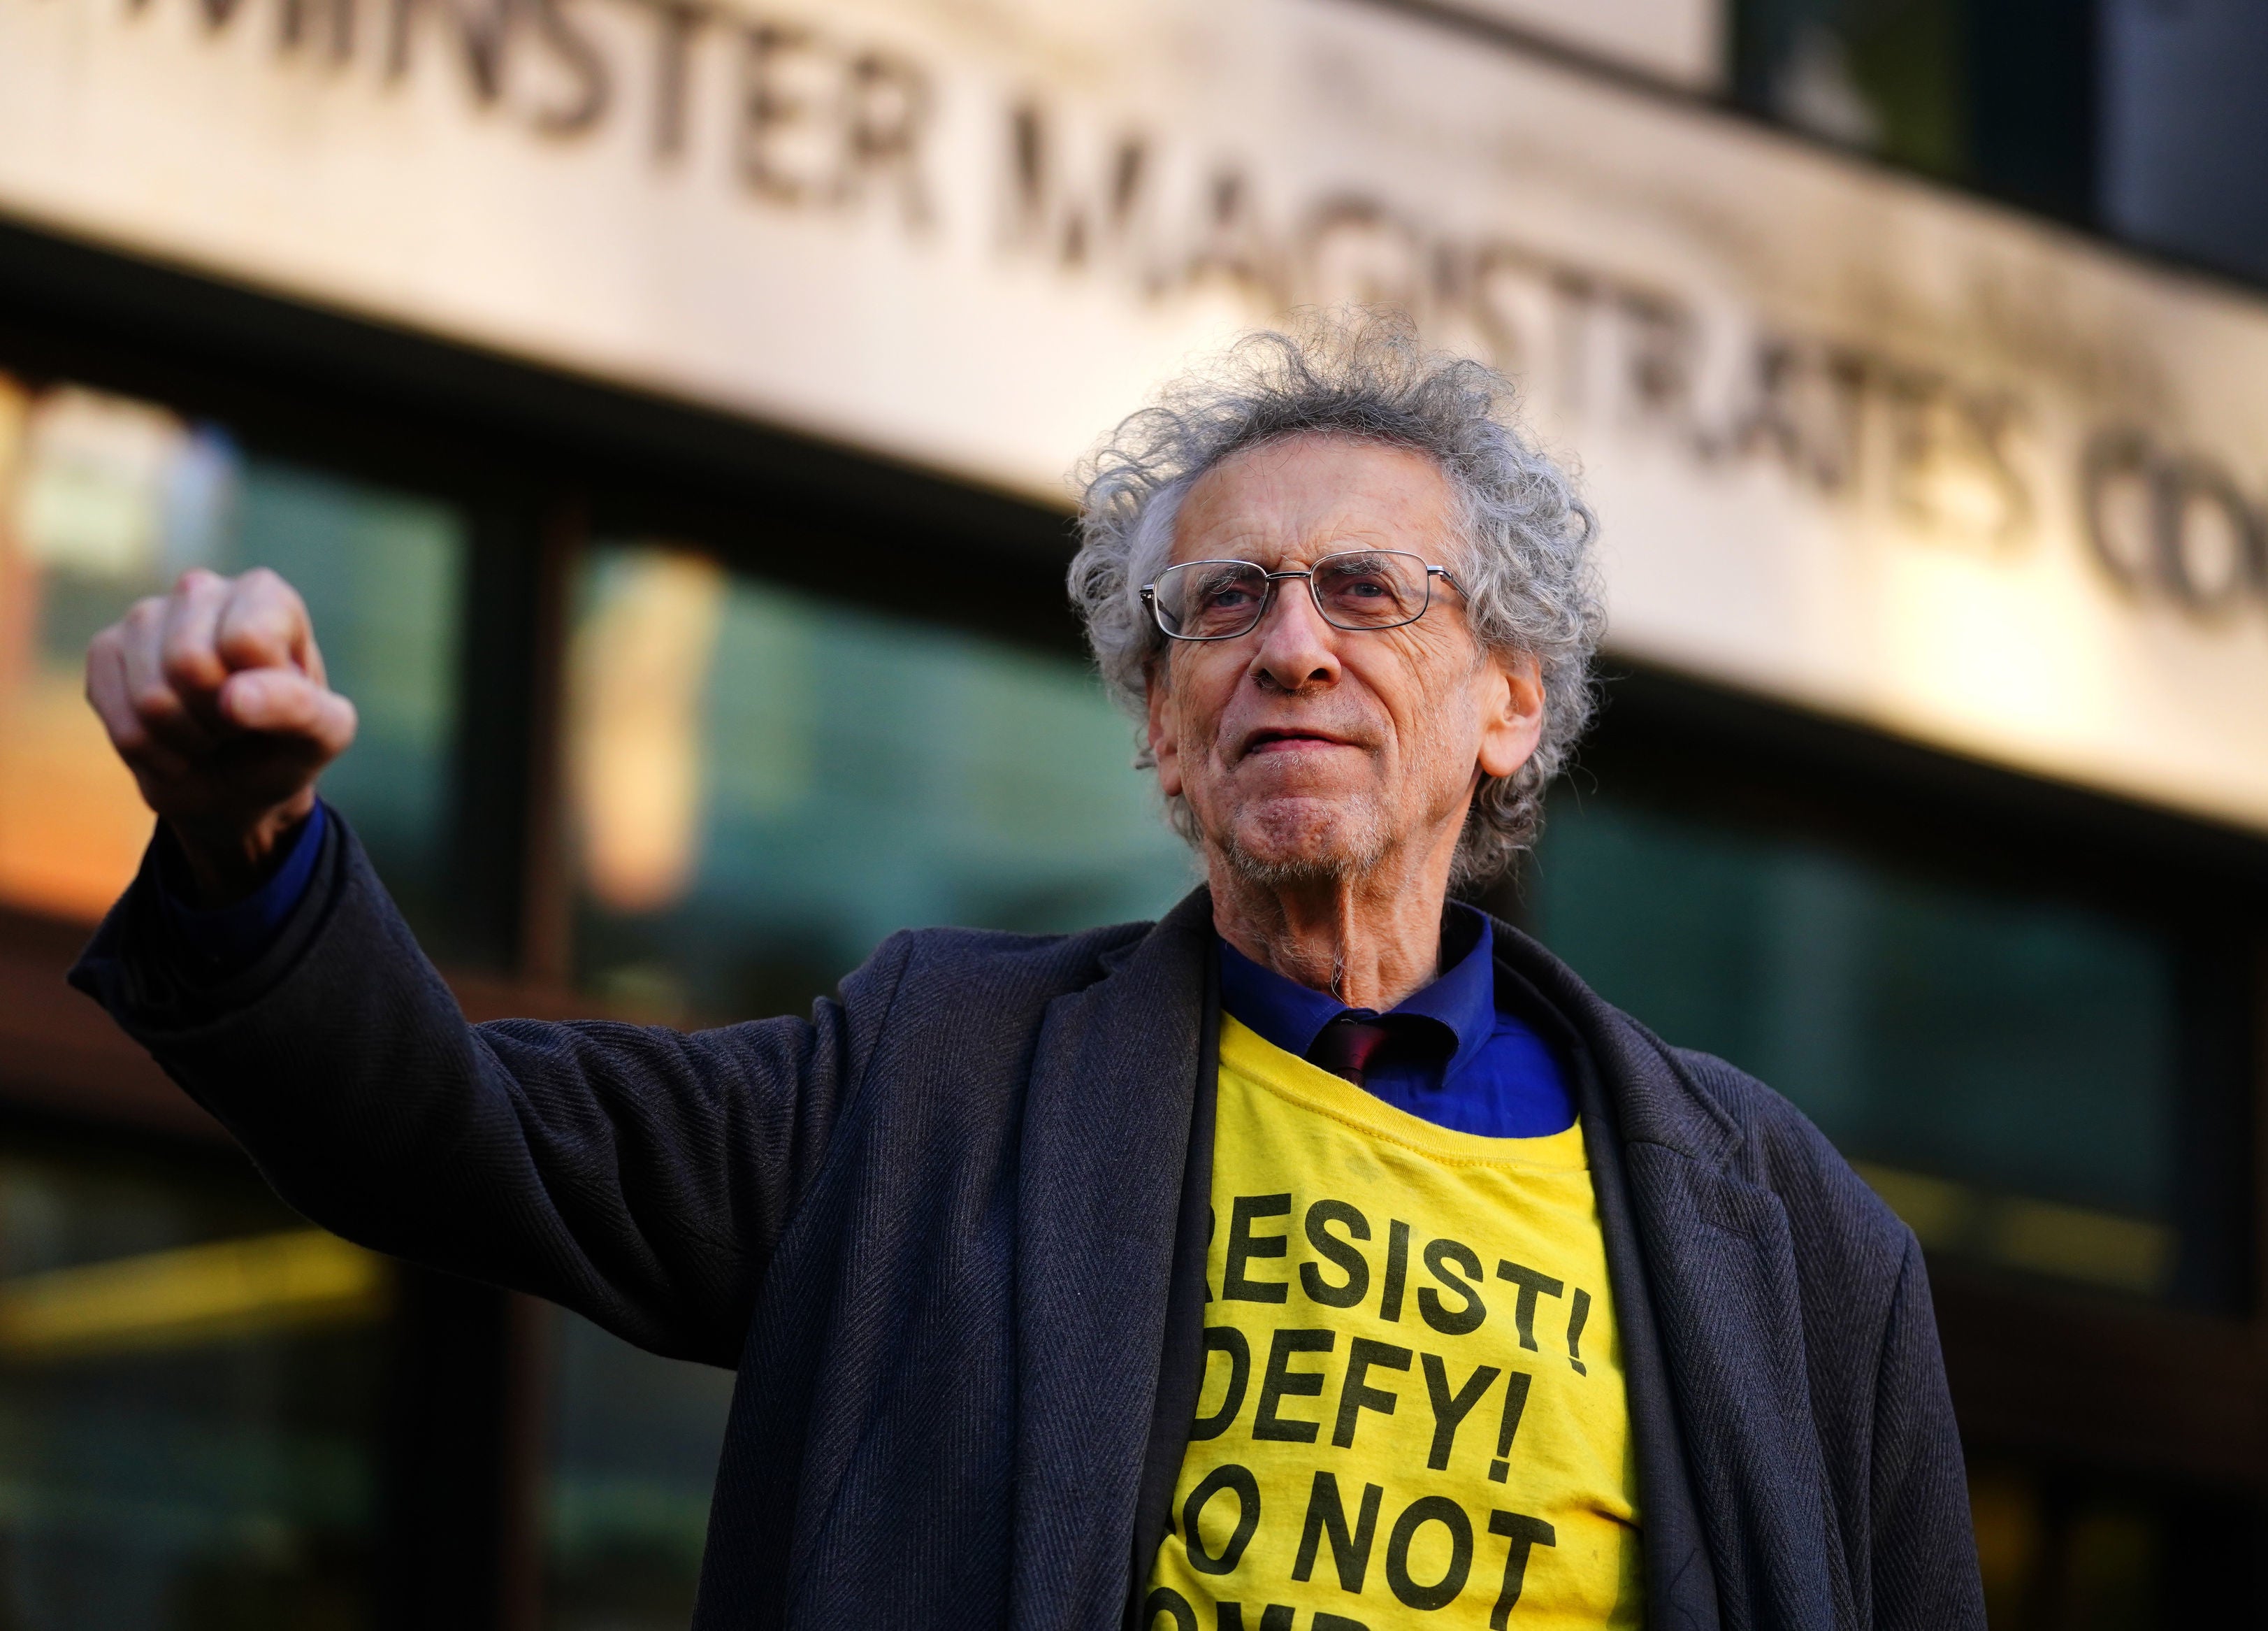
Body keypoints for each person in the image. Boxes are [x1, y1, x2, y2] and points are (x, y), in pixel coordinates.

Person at [72, 317, 1983, 1631]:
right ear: (1160, 731)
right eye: (1217, 605)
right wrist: (249, 853)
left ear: (1508, 705)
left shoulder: (1794, 1243)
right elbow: (453, 1136)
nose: (1287, 648)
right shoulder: (931, 1081)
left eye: (1369, 592)